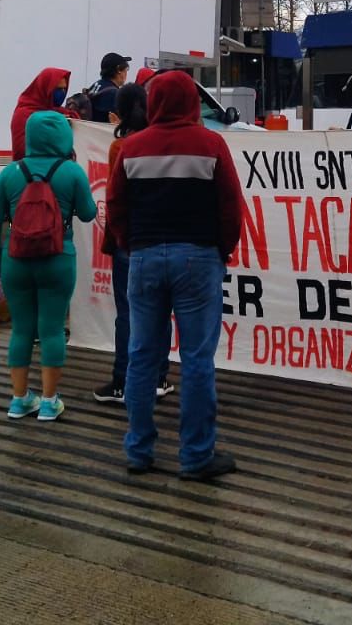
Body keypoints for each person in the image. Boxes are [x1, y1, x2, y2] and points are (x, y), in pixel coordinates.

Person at [108, 71, 248, 480]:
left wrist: (132, 246)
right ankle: (196, 456)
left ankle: (138, 450)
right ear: (191, 102)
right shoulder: (211, 144)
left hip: (144, 257)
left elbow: (115, 207)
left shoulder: (131, 148)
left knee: (142, 357)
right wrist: (220, 250)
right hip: (199, 258)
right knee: (196, 360)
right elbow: (230, 207)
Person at [0, 108, 97, 422]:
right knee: (51, 330)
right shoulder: (72, 171)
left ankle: (19, 400)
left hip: (15, 260)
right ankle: (49, 402)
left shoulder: (10, 173)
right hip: (59, 258)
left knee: (21, 329)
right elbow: (89, 213)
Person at [95, 81, 172, 405]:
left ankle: (122, 380)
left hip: (131, 238)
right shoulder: (163, 141)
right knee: (161, 311)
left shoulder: (121, 147)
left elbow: (116, 197)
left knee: (128, 312)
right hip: (165, 235)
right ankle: (159, 377)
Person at [11, 67, 70, 152]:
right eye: (58, 89)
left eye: (64, 89)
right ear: (46, 88)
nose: (62, 93)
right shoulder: (23, 114)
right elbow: (21, 150)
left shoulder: (62, 113)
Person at [87, 52, 132, 124]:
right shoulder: (114, 94)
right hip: (101, 134)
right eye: (126, 69)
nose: (126, 72)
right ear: (119, 69)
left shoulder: (95, 86)